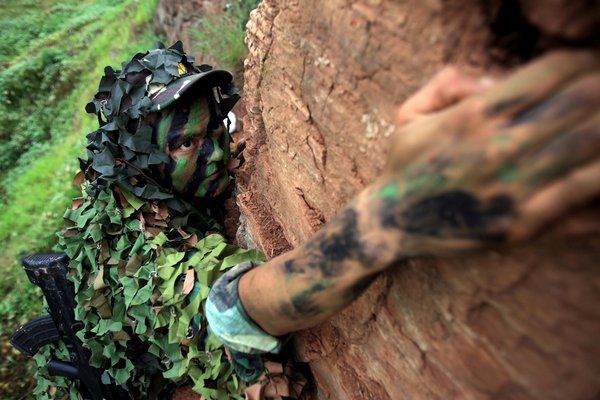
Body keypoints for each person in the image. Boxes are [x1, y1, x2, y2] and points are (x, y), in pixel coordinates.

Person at [33, 41, 599, 400]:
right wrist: (388, 221)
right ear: (137, 162)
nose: (214, 155)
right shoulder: (138, 249)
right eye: (184, 144)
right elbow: (226, 312)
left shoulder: (140, 184)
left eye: (216, 132)